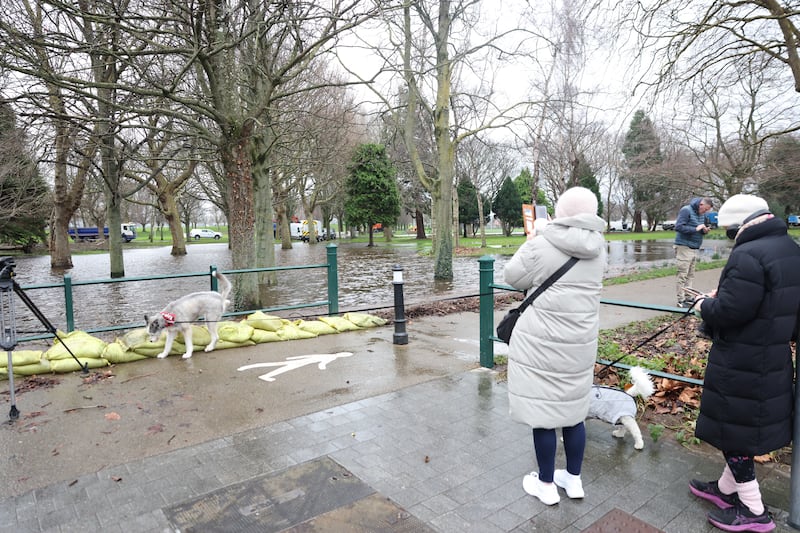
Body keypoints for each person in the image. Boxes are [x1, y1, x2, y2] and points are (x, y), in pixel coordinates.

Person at [689, 194, 800, 532]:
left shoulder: (748, 255)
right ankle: (725, 490)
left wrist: (703, 305)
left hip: (742, 361)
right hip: (773, 355)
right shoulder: (789, 248)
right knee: (740, 429)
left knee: (733, 431)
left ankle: (753, 510)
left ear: (740, 225)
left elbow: (730, 312)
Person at [503, 186, 607, 505]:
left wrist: (533, 237)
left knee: (543, 413)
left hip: (541, 346)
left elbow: (512, 277)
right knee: (574, 412)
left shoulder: (543, 243)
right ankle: (573, 480)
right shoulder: (600, 247)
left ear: (560, 212)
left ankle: (546, 484)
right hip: (579, 343)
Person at [673, 197, 714, 307]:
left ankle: (688, 297)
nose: (705, 212)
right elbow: (679, 227)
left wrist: (704, 230)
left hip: (695, 247)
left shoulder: (702, 215)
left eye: (707, 211)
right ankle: (680, 300)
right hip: (684, 246)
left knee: (690, 275)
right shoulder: (686, 210)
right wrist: (695, 229)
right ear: (700, 204)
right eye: (705, 210)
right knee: (682, 274)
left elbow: (700, 228)